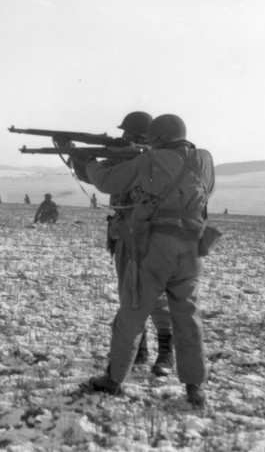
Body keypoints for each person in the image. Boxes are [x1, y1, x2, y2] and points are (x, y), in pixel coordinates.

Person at [70, 114, 215, 408]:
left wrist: (87, 162)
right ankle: (194, 388)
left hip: (155, 246)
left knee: (132, 312)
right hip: (191, 247)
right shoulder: (204, 159)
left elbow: (106, 181)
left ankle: (113, 379)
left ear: (157, 137)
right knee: (188, 316)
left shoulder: (150, 159)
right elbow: (205, 191)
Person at [83, 111, 175, 375]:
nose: (123, 137)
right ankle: (140, 350)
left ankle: (166, 352)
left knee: (156, 297)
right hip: (125, 234)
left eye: (129, 134)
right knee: (129, 296)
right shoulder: (129, 158)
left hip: (150, 235)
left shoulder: (152, 161)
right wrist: (77, 158)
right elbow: (99, 177)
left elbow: (107, 177)